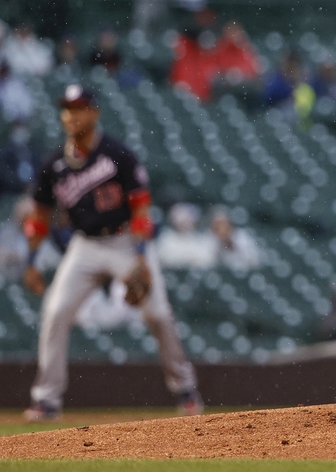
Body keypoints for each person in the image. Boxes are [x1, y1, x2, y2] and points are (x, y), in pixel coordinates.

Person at [20, 85, 202, 421]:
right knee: (56, 312)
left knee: (158, 315)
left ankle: (186, 389)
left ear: (95, 112)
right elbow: (39, 216)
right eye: (67, 109)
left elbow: (141, 209)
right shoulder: (54, 165)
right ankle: (46, 400)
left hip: (124, 241)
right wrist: (31, 261)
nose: (72, 115)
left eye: (80, 107)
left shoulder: (117, 153)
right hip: (85, 245)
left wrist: (142, 257)